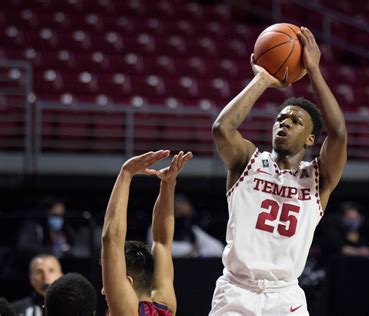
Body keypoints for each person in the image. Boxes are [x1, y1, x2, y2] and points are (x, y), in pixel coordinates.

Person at [210, 27, 347, 315]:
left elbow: (338, 133)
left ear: (311, 139)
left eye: (295, 121)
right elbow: (222, 129)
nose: (284, 123)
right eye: (280, 118)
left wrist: (313, 70)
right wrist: (262, 78)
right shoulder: (248, 161)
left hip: (285, 296)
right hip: (236, 289)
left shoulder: (317, 179)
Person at [101, 150, 192, 316]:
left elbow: (111, 240)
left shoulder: (126, 312)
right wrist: (168, 183)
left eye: (106, 282)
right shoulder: (165, 306)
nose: (103, 290)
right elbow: (162, 242)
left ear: (127, 282)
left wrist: (126, 174)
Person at [147, 194, 224, 258]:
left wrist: (197, 252)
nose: (180, 216)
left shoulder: (191, 228)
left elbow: (218, 248)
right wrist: (189, 249)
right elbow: (159, 249)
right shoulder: (157, 226)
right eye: (177, 211)